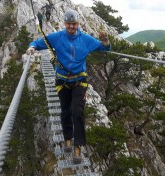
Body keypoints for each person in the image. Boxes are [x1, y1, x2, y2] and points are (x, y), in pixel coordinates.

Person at [26, 9, 111, 164]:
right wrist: (32, 47)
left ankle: (77, 147)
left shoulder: (85, 39)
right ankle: (67, 139)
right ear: (65, 23)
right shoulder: (57, 37)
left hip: (79, 80)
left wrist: (105, 41)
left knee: (77, 111)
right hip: (62, 80)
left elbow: (104, 48)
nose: (71, 26)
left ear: (78, 24)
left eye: (74, 24)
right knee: (65, 111)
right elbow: (38, 43)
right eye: (69, 24)